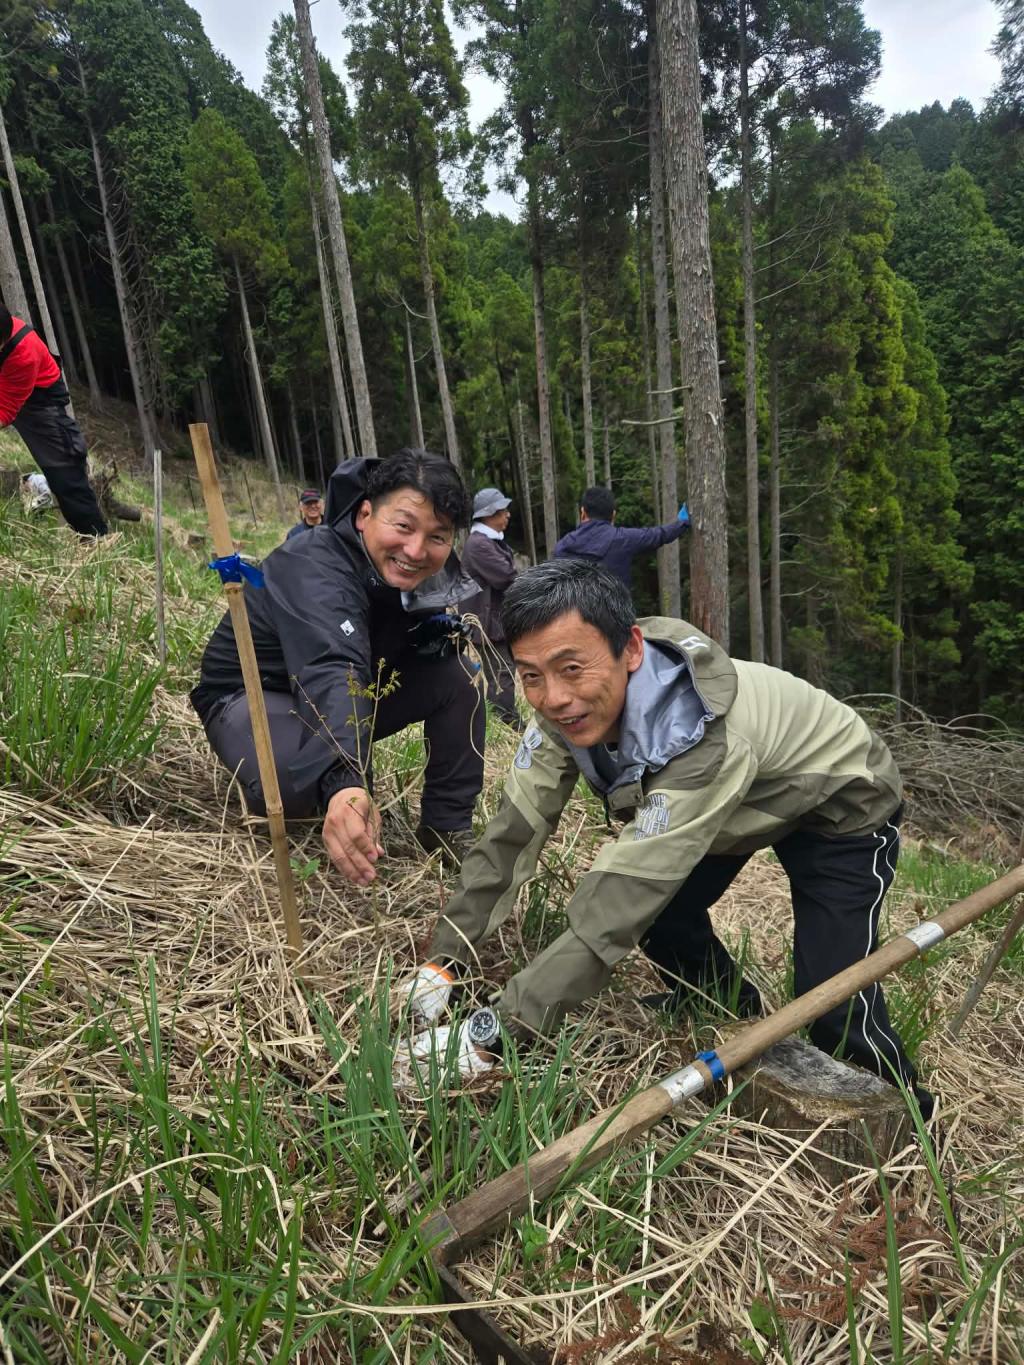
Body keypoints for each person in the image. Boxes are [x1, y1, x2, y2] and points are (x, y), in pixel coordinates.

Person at [402, 558, 934, 1119]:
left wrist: (495, 1032)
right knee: (661, 908)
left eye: (571, 668)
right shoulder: (565, 709)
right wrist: (445, 960)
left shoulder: (697, 734)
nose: (553, 697)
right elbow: (510, 839)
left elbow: (614, 910)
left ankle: (908, 1115)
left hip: (839, 796)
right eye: (531, 675)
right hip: (738, 799)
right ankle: (720, 997)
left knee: (831, 994)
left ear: (630, 649)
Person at [191, 450, 486, 883]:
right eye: (403, 526)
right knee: (295, 787)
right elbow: (333, 665)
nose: (416, 549)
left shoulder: (421, 572)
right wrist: (345, 781)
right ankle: (319, 784)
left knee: (461, 675)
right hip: (254, 693)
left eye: (438, 537)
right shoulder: (314, 563)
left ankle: (446, 826)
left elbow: (366, 666)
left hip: (347, 686)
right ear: (365, 513)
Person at [0, 304, 107, 536]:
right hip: (10, 386)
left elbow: (6, 409)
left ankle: (95, 539)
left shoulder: (22, 354)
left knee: (65, 473)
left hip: (42, 405)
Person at [460, 486, 521, 729]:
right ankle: (505, 722)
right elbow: (506, 576)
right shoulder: (479, 545)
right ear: (488, 514)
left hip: (492, 621)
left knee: (501, 672)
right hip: (486, 623)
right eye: (502, 511)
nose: (507, 515)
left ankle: (502, 719)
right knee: (501, 673)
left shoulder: (488, 542)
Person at [553, 485, 688, 590]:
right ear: (613, 515)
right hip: (615, 622)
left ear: (582, 513)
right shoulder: (623, 539)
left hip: (572, 622)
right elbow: (659, 535)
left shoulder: (562, 547)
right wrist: (682, 523)